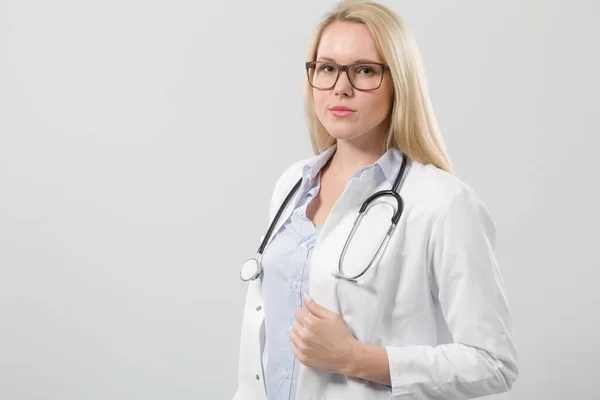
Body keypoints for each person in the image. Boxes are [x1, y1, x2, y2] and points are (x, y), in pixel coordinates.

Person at [233, 1, 518, 399]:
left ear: (398, 81)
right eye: (327, 68)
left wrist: (356, 358)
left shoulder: (443, 204)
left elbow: (493, 363)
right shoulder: (292, 186)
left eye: (364, 70)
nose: (341, 87)